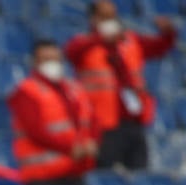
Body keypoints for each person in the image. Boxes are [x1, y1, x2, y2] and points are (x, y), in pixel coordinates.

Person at [8, 41, 97, 185]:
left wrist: (90, 145)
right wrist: (72, 147)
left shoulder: (73, 89)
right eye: (46, 59)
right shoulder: (26, 92)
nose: (53, 64)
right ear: (35, 63)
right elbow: (36, 130)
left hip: (75, 175)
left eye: (55, 58)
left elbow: (90, 122)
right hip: (44, 179)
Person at [65, 1, 177, 171]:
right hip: (103, 123)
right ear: (94, 19)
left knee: (139, 170)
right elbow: (71, 52)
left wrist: (168, 34)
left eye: (113, 16)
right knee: (104, 172)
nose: (111, 20)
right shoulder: (84, 44)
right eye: (105, 17)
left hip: (133, 119)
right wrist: (100, 38)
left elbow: (158, 47)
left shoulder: (129, 41)